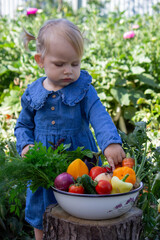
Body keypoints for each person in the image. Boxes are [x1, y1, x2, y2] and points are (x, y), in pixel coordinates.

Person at [14, 18, 126, 240]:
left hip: (80, 160)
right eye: (60, 64)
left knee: (82, 209)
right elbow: (23, 125)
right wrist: (26, 145)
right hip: (44, 165)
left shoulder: (83, 90)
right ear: (40, 60)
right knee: (41, 209)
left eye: (75, 64)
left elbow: (99, 115)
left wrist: (110, 142)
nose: (69, 71)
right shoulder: (33, 94)